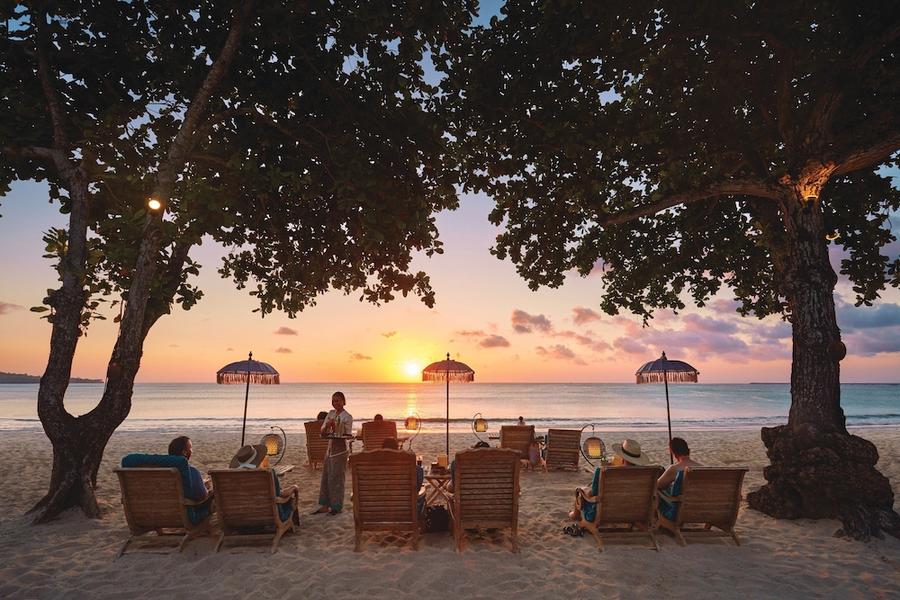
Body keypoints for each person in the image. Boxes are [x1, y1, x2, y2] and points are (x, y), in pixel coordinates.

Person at [568, 438, 652, 523]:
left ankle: (575, 515)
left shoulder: (602, 471)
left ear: (622, 457)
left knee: (581, 492)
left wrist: (584, 492)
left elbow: (593, 493)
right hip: (634, 514)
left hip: (603, 513)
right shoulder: (647, 474)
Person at [230, 444, 300, 525]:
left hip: (239, 519)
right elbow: (280, 494)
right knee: (290, 499)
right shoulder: (267, 473)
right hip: (270, 516)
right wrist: (294, 487)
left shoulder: (231, 477)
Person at [313, 391, 353, 515]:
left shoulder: (347, 417)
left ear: (343, 402)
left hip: (340, 450)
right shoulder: (330, 414)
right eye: (333, 401)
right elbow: (322, 431)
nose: (335, 403)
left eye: (337, 400)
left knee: (337, 478)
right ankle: (325, 505)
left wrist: (338, 428)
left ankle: (336, 506)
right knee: (326, 476)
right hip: (330, 448)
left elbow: (347, 434)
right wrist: (327, 426)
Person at [657, 437, 701, 521]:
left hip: (679, 513)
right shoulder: (702, 468)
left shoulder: (675, 469)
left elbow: (657, 485)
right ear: (689, 451)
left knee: (656, 493)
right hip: (699, 510)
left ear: (673, 453)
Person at [382, 438, 425, 514]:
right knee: (422, 495)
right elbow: (417, 489)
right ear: (397, 449)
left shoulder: (369, 470)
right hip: (406, 513)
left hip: (376, 512)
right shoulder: (415, 469)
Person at [168, 436, 208, 501]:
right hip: (188, 506)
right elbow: (202, 496)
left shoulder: (163, 471)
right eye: (190, 448)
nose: (192, 451)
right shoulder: (192, 471)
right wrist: (206, 488)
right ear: (184, 452)